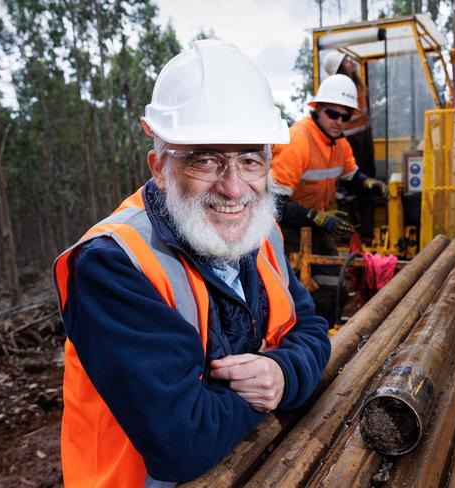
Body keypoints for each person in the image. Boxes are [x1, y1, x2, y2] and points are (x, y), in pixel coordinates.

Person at [52, 40, 331, 486]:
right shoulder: (111, 265)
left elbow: (314, 329)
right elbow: (183, 440)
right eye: (206, 160)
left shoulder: (263, 234)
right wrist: (268, 384)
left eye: (249, 161)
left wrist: (281, 373)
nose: (235, 189)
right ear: (159, 168)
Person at [270, 74, 389, 258]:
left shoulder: (340, 144)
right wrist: (316, 217)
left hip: (316, 223)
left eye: (346, 116)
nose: (339, 122)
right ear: (318, 108)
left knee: (334, 278)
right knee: (297, 282)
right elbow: (274, 204)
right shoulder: (297, 141)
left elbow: (352, 176)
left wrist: (368, 183)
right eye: (333, 114)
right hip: (285, 227)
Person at [324, 51, 377, 239]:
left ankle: (367, 231)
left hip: (364, 136)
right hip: (350, 139)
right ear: (339, 68)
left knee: (367, 183)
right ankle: (351, 232)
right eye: (346, 60)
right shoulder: (341, 88)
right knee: (351, 186)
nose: (351, 61)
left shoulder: (358, 84)